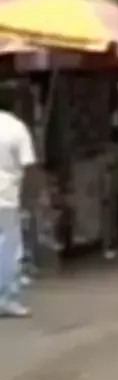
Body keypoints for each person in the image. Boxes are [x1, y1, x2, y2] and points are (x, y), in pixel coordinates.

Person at [0, 109, 36, 317]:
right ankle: (6, 298)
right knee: (9, 249)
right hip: (6, 198)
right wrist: (29, 202)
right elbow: (28, 166)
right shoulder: (16, 128)